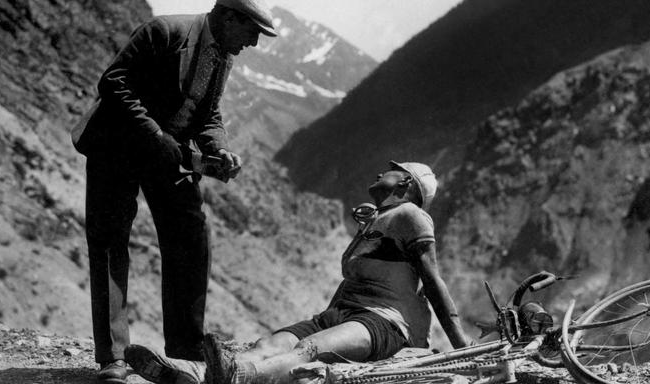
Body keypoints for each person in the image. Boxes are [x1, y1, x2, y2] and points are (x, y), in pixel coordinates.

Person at [72, 0, 278, 382]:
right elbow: (114, 83)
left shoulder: (223, 56)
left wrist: (218, 147)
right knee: (109, 243)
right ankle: (113, 356)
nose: (254, 43)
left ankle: (185, 350)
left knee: (191, 236)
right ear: (229, 17)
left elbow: (209, 113)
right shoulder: (164, 31)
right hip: (115, 147)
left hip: (168, 157)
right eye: (252, 32)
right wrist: (156, 137)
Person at [123, 161, 472, 384]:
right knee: (270, 343)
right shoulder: (376, 220)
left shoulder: (412, 215)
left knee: (308, 350)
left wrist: (462, 347)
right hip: (345, 313)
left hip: (382, 323)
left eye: (391, 170)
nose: (381, 172)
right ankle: (194, 373)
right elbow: (351, 281)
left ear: (406, 183)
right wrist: (326, 316)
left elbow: (433, 281)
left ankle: (236, 377)